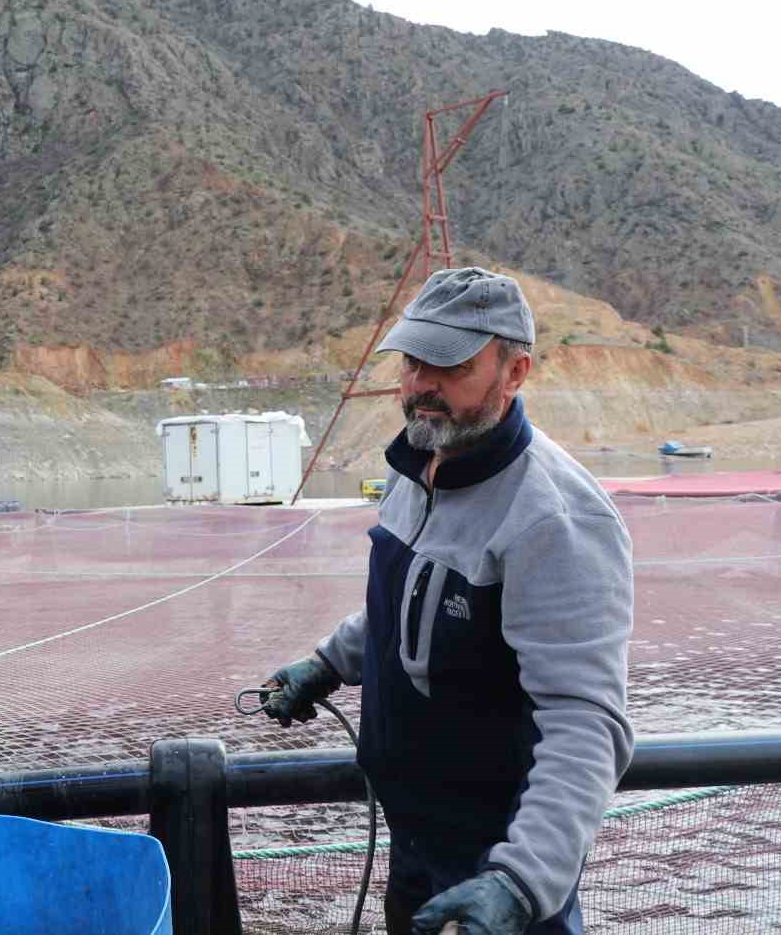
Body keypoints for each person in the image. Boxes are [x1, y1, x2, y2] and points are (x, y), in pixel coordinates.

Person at [260, 267, 634, 935]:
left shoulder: (555, 521)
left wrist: (521, 885)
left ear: (515, 372)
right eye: (413, 361)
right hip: (414, 841)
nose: (421, 384)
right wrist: (327, 664)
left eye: (450, 365)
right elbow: (402, 608)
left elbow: (585, 723)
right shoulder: (424, 462)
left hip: (499, 862)